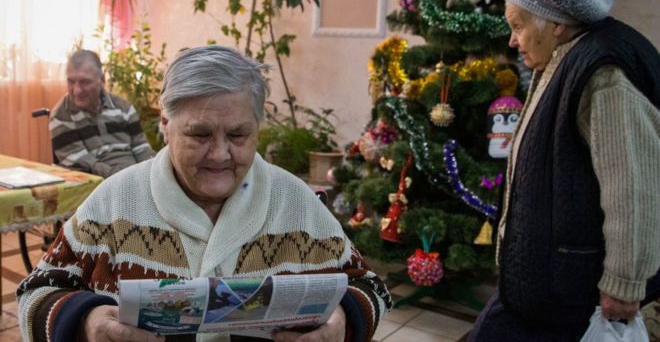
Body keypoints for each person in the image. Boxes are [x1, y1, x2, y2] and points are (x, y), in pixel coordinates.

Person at [17, 45, 392, 342]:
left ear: (258, 127)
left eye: (238, 135)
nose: (220, 154)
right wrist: (85, 322)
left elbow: (370, 288)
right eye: (199, 134)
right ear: (165, 124)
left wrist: (344, 318)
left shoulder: (296, 203)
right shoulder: (115, 201)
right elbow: (34, 293)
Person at [469, 0, 660, 340]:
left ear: (555, 22)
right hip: (541, 289)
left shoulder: (603, 72)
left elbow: (633, 187)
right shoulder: (563, 56)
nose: (512, 40)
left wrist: (623, 281)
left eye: (518, 26)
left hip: (573, 297)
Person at [49, 49, 155, 177]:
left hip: (135, 176)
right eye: (71, 81)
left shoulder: (123, 108)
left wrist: (153, 173)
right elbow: (86, 165)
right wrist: (125, 179)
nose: (77, 90)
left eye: (85, 82)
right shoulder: (61, 116)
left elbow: (142, 149)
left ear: (102, 80)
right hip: (98, 185)